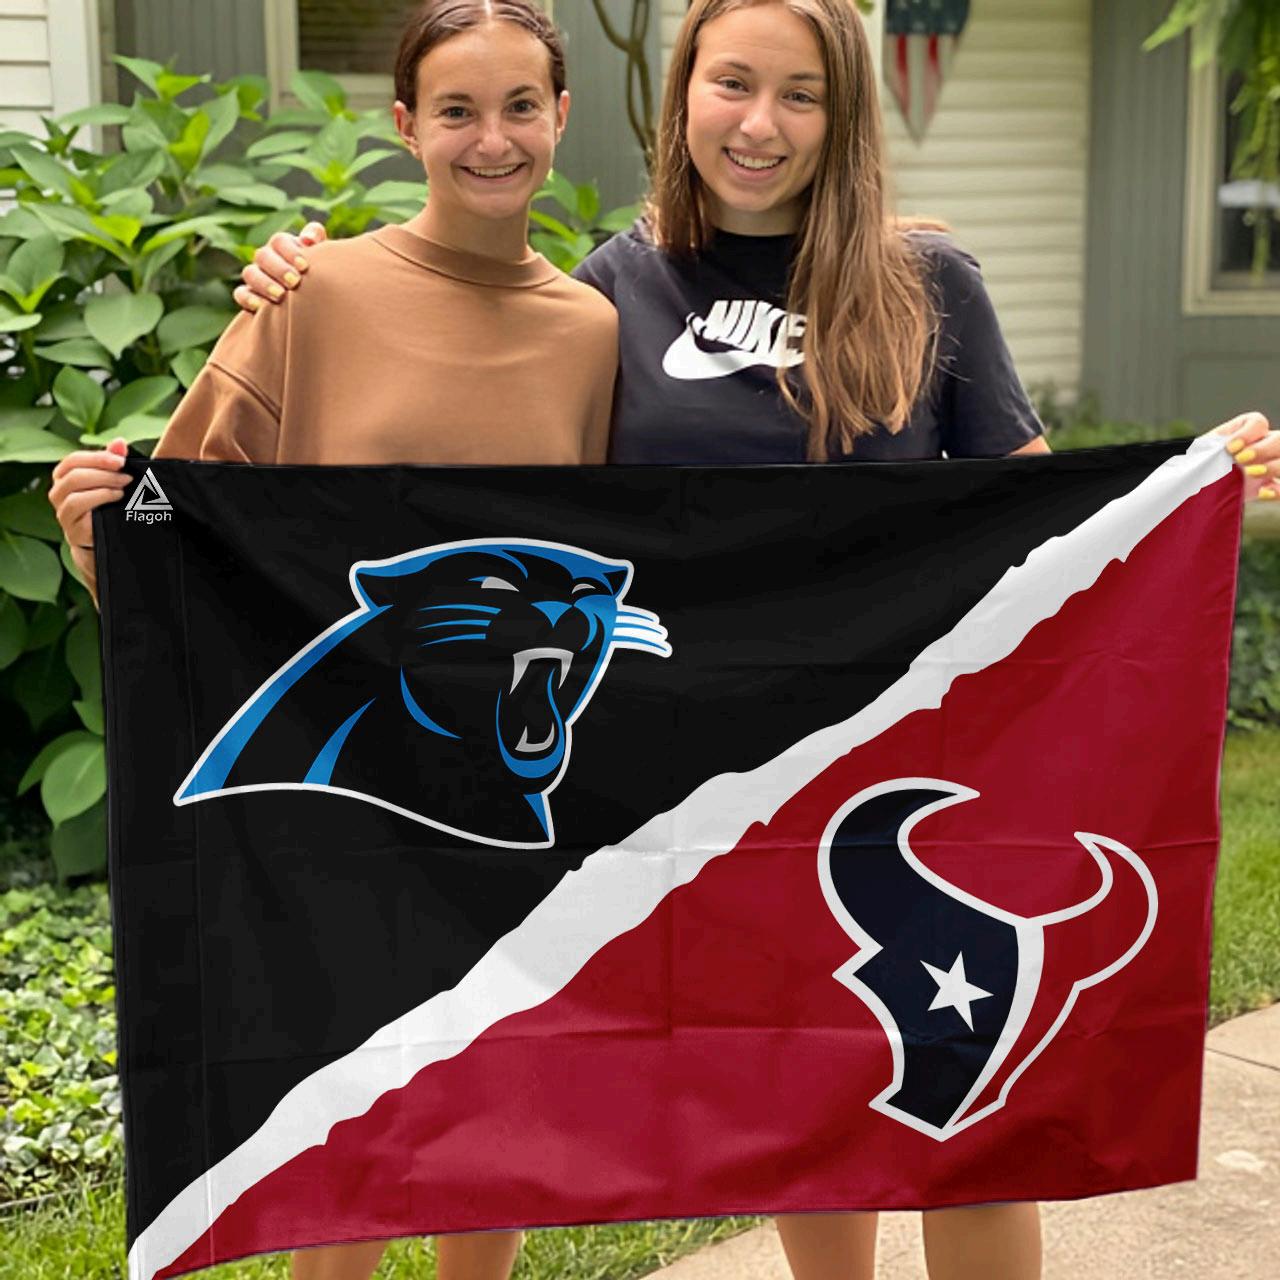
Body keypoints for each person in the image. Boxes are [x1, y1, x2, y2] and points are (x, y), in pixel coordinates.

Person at [161, 1, 1280, 1278]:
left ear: (842, 115)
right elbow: (518, 476)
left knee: (964, 1109)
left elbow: (1042, 527)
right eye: (731, 83)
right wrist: (297, 286)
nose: (760, 123)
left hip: (923, 755)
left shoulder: (927, 283)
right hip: (732, 779)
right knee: (812, 1093)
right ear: (680, 92)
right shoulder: (612, 295)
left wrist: (1185, 500)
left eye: (800, 93)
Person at [47, 4, 618, 1280]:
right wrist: (99, 540)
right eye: (456, 111)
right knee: (344, 1101)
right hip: (345, 786)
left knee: (492, 1088)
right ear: (403, 124)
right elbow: (190, 526)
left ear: (561, 118)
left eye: (519, 107)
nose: (490, 139)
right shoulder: (315, 292)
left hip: (506, 792)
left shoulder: (591, 330)